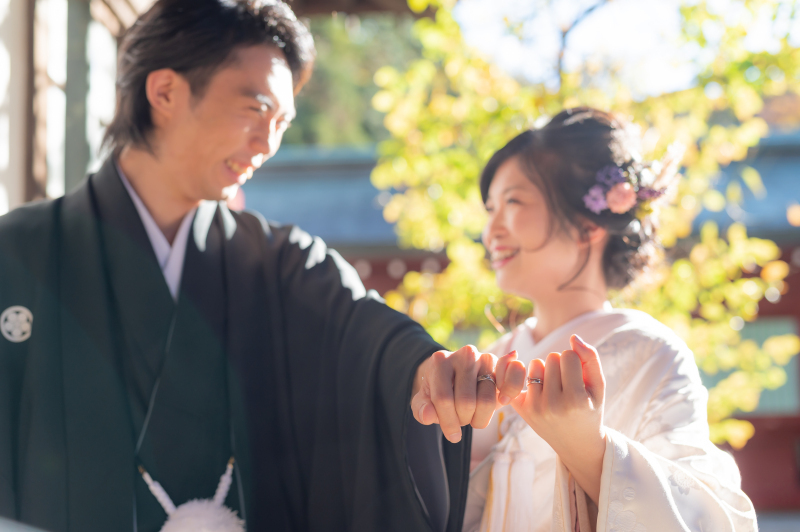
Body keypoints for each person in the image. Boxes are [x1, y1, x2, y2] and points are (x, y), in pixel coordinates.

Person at [0, 1, 526, 531]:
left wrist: (426, 372)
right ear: (165, 92)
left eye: (281, 123)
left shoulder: (280, 264)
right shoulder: (17, 252)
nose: (267, 144)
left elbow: (366, 335)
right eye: (255, 109)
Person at [463, 108, 758, 531]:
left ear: (589, 225)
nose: (490, 231)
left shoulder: (652, 354)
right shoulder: (492, 358)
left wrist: (590, 449)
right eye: (490, 208)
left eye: (512, 202)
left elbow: (703, 520)